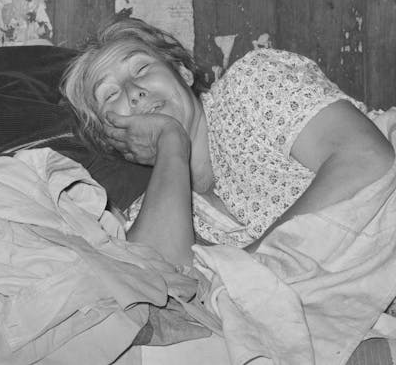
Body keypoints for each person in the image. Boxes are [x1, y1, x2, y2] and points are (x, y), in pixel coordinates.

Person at [61, 14, 394, 268]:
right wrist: (171, 141)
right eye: (112, 94)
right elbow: (167, 289)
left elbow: (367, 159)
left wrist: (251, 268)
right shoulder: (156, 207)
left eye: (142, 69)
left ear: (183, 72)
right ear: (111, 135)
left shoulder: (251, 85)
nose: (134, 92)